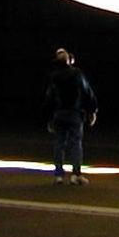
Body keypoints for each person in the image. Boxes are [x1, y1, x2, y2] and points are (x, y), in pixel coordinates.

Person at [44, 47, 97, 185]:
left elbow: (49, 98)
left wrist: (49, 117)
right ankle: (76, 174)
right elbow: (87, 92)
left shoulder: (54, 76)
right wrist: (92, 110)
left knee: (59, 144)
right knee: (76, 144)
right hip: (74, 113)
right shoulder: (77, 74)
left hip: (58, 113)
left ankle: (58, 175)